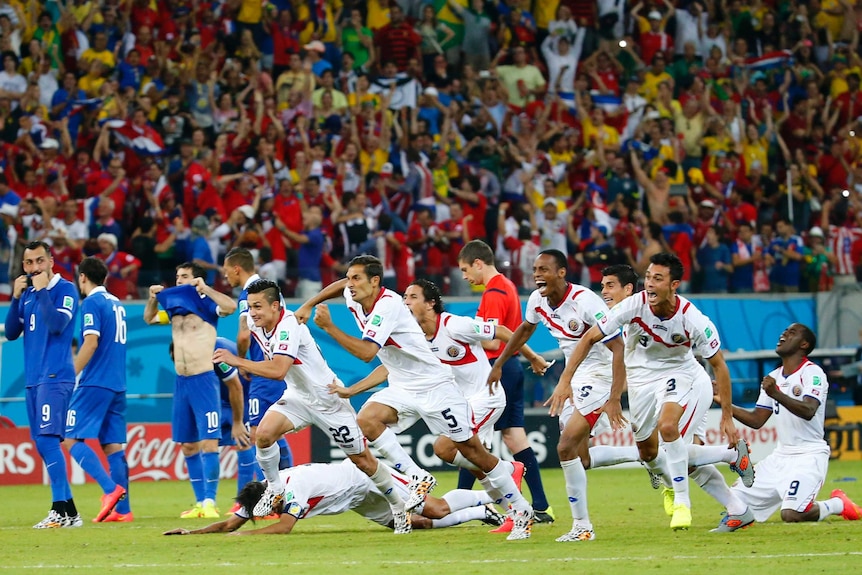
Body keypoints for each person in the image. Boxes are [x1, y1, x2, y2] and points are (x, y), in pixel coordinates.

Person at [295, 255, 535, 540]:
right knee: (367, 420)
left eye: (356, 278)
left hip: (435, 386)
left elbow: (367, 353)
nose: (350, 285)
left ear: (375, 281)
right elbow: (339, 287)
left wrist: (329, 327)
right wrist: (309, 303)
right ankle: (417, 475)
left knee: (472, 451)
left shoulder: (388, 306)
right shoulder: (355, 294)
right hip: (403, 386)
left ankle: (521, 509)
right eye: (349, 278)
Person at [548, 252, 749, 531]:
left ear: (674, 284)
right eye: (649, 278)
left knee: (669, 433)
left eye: (658, 279)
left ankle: (682, 502)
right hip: (644, 385)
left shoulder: (694, 320)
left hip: (684, 377)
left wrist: (726, 416)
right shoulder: (631, 308)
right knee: (654, 453)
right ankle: (735, 491)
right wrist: (567, 380)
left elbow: (720, 366)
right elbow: (591, 337)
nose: (651, 284)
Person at [211, 279, 412, 534]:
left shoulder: (288, 326)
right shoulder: (255, 322)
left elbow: (278, 369)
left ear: (275, 306)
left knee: (363, 461)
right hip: (298, 397)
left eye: (258, 306)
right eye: (250, 307)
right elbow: (250, 341)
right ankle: (275, 489)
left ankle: (397, 507)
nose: (253, 313)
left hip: (328, 400)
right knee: (262, 435)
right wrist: (246, 356)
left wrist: (238, 361)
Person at [600, 264, 757, 532]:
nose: (604, 293)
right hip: (658, 388)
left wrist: (727, 416)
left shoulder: (684, 316)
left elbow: (719, 365)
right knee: (668, 456)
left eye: (610, 286)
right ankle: (737, 506)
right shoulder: (628, 320)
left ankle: (702, 481)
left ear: (628, 289)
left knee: (673, 441)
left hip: (686, 385)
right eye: (602, 287)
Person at [489, 250, 626, 542]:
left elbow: (618, 347)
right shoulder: (537, 300)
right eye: (535, 269)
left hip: (598, 375)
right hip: (574, 376)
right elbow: (524, 329)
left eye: (544, 269)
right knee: (580, 456)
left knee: (564, 448)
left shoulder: (586, 301)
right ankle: (648, 455)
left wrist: (614, 396)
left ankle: (582, 526)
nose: (537, 275)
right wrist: (500, 362)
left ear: (562, 273)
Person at [718, 323, 861, 527]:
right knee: (734, 505)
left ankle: (838, 504)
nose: (784, 334)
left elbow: (809, 411)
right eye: (784, 331)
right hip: (780, 457)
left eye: (791, 333)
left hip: (808, 456)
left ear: (804, 344)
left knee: (792, 514)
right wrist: (723, 401)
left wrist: (776, 393)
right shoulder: (774, 377)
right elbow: (757, 420)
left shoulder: (813, 373)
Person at [457, 239, 554, 524]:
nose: (464, 276)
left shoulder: (494, 293)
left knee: (472, 438)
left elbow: (491, 339)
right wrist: (532, 356)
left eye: (465, 269)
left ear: (478, 263)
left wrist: (464, 333)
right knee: (514, 437)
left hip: (495, 369)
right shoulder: (507, 286)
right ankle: (541, 505)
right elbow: (511, 333)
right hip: (509, 367)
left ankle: (460, 502)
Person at [163, 459, 506, 535]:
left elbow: (283, 529)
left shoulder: (291, 489)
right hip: (354, 498)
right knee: (418, 524)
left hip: (365, 476)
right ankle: (483, 513)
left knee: (435, 506)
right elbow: (231, 523)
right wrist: (194, 533)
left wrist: (242, 538)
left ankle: (491, 493)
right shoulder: (266, 491)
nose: (270, 512)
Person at [144, 262, 238, 518]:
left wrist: (205, 288)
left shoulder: (207, 303)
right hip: (181, 382)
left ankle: (210, 501)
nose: (178, 281)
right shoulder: (173, 306)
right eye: (177, 277)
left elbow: (231, 307)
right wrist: (152, 299)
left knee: (209, 443)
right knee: (187, 445)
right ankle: (199, 503)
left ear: (197, 280)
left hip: (203, 380)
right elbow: (150, 318)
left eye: (184, 277)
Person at [5, 241, 80, 528]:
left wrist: (44, 290)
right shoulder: (27, 295)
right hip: (34, 380)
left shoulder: (65, 290)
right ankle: (70, 512)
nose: (34, 267)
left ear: (50, 261)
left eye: (39, 261)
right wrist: (15, 298)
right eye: (29, 263)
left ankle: (59, 511)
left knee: (48, 442)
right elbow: (12, 332)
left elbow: (57, 325)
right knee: (41, 443)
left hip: (55, 376)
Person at [62, 257, 131, 523]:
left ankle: (110, 489)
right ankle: (123, 512)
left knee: (69, 438)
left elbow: (90, 342)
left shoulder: (91, 302)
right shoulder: (117, 303)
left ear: (82, 278)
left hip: (95, 382)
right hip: (118, 383)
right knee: (113, 446)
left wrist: (71, 375)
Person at [222, 248, 293, 476]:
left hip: (264, 368)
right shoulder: (268, 290)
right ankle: (286, 489)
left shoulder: (249, 297)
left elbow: (244, 335)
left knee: (259, 433)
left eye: (226, 272)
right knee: (273, 432)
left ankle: (273, 492)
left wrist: (241, 362)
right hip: (276, 363)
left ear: (237, 269)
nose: (225, 277)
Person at [211, 338, 252, 505]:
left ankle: (243, 502)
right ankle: (206, 502)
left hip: (242, 399)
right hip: (220, 400)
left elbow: (236, 386)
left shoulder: (217, 352)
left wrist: (237, 421)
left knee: (244, 442)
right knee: (205, 444)